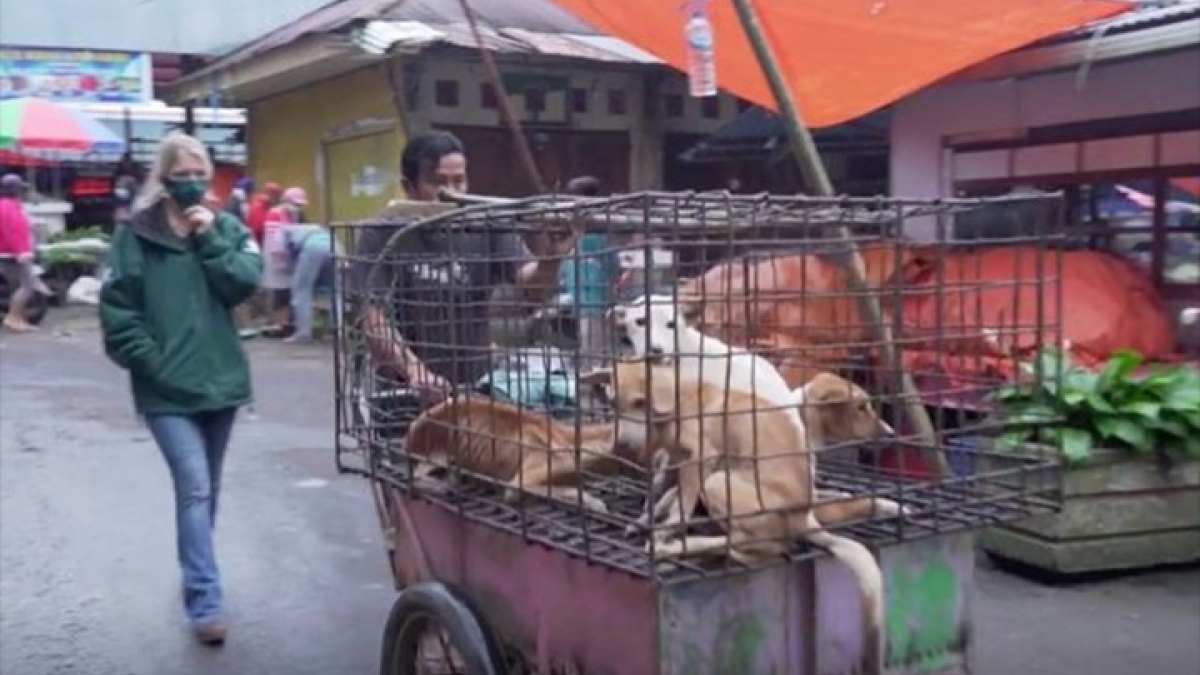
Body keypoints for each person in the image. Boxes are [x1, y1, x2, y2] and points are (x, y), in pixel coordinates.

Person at [97, 130, 263, 646]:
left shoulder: (228, 228)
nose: (192, 183)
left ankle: (196, 572)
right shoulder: (135, 237)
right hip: (165, 390)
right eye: (182, 175)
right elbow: (118, 311)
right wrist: (152, 363)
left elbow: (244, 284)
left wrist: (208, 236)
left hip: (221, 384)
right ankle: (205, 601)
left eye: (200, 175)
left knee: (205, 490)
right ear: (163, 179)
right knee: (193, 486)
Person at [353, 130, 576, 402]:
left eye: (459, 181)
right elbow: (373, 318)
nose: (452, 194)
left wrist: (550, 258)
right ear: (408, 186)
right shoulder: (384, 233)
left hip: (475, 386)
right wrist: (414, 371)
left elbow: (532, 291)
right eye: (438, 183)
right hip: (403, 389)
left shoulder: (485, 224)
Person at [0, 174, 46, 332]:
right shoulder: (9, 207)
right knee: (27, 285)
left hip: (9, 252)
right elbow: (13, 231)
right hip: (13, 254)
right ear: (16, 190)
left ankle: (17, 318)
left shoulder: (8, 205)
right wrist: (20, 252)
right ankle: (13, 318)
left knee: (19, 286)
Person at [281, 220, 340, 343]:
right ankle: (338, 331)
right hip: (335, 245)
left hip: (312, 247)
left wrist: (290, 270)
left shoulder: (284, 231)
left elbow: (289, 256)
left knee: (301, 290)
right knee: (336, 290)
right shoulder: (314, 226)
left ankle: (303, 333)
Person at [261, 186, 308, 333]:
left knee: (289, 290)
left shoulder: (297, 216)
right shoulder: (274, 214)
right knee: (278, 291)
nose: (297, 208)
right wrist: (280, 259)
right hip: (275, 258)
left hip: (290, 257)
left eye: (300, 205)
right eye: (295, 204)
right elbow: (272, 240)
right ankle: (278, 323)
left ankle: (287, 322)